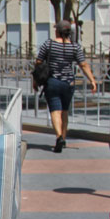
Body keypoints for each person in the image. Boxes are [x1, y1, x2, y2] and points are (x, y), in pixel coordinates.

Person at [35, 19, 97, 153]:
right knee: (64, 111)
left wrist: (35, 81)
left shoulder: (48, 44)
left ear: (57, 30)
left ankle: (58, 137)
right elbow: (83, 64)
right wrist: (92, 80)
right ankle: (63, 137)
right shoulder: (75, 47)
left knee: (55, 110)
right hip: (69, 83)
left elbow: (39, 62)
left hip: (52, 82)